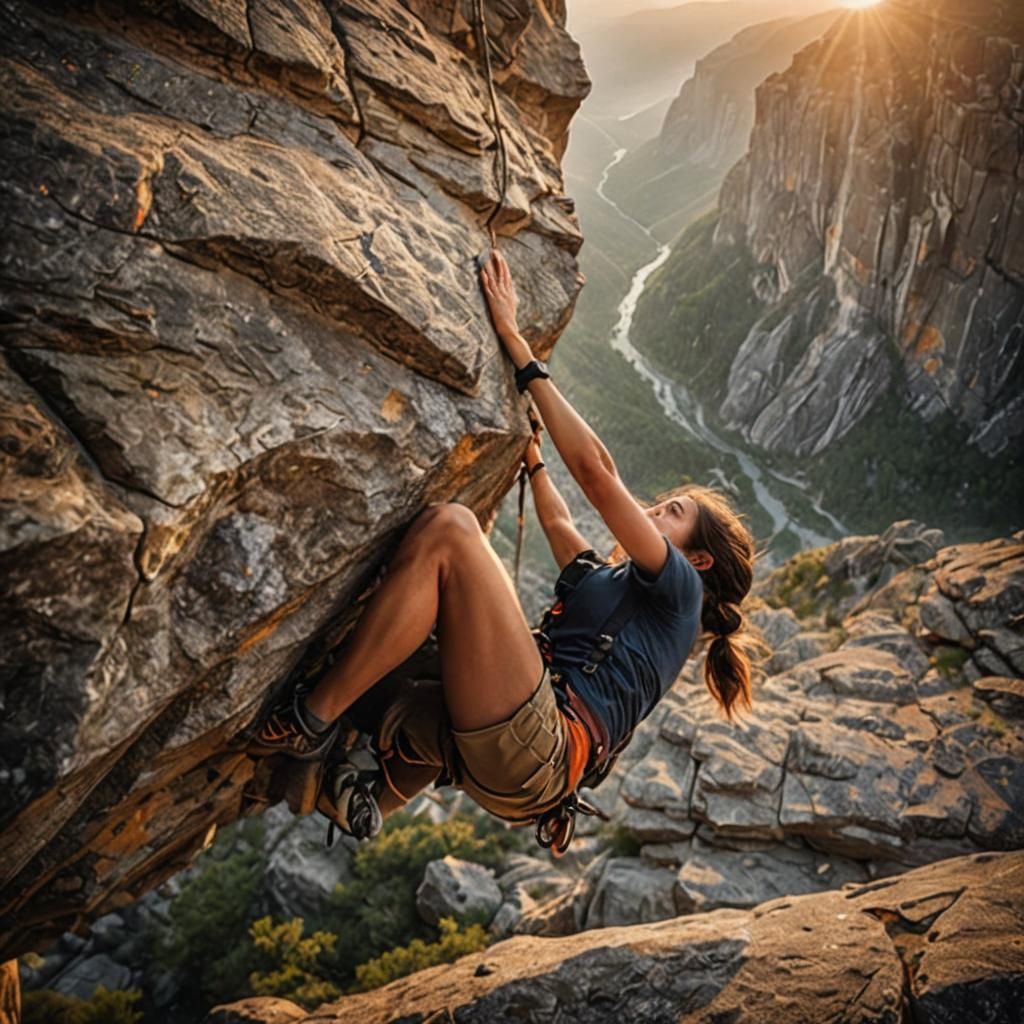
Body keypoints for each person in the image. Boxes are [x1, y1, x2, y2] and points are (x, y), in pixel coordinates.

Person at [248, 249, 760, 843]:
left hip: (538, 745)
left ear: (697, 560)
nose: (653, 510)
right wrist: (533, 455)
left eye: (672, 513)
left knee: (451, 532)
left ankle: (311, 721)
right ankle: (365, 794)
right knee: (425, 631)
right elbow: (564, 525)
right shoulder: (621, 590)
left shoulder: (681, 592)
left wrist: (518, 347)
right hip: (523, 760)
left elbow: (598, 474)